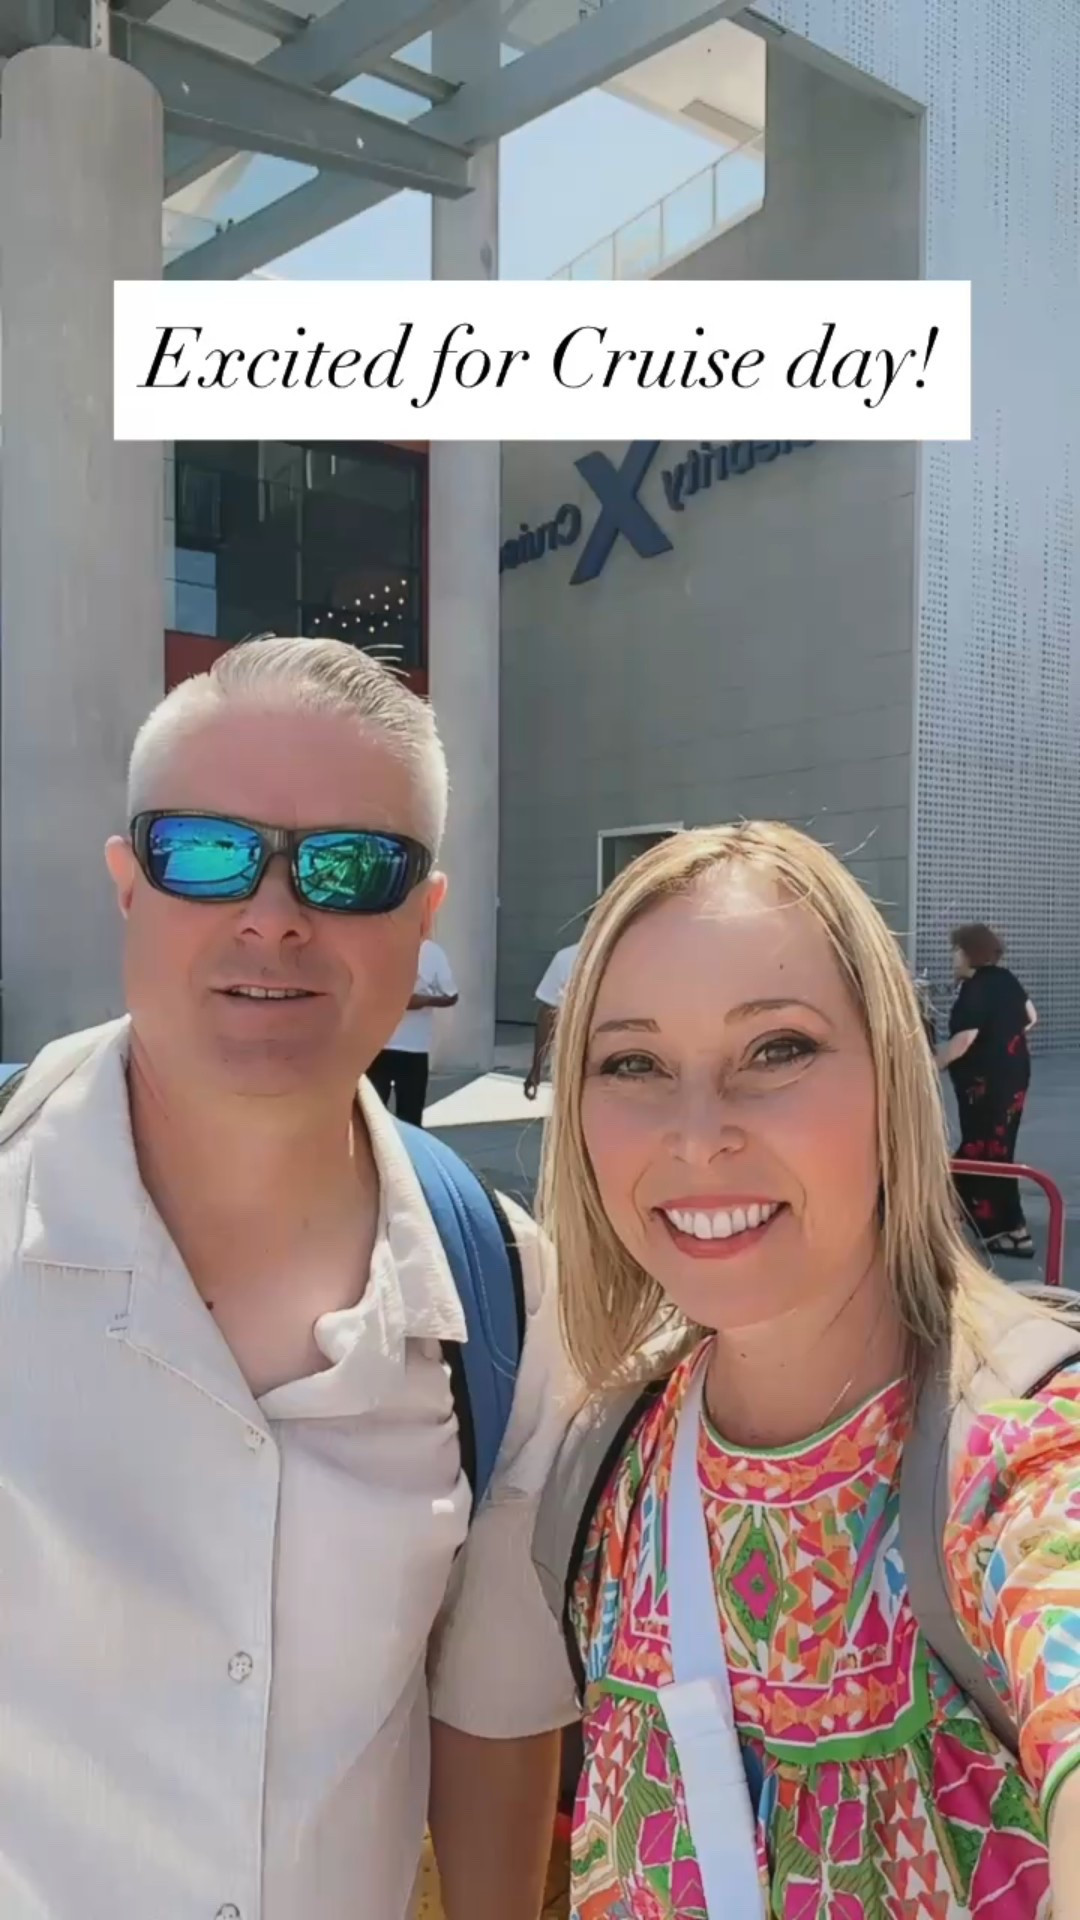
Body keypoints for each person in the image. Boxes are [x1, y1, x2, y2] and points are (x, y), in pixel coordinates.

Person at [0, 637, 580, 1920]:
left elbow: (492, 1707)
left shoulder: (502, 1286)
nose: (274, 913)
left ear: (422, 923)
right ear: (127, 888)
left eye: (349, 868)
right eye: (204, 851)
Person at [535, 822, 1080, 1917]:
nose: (697, 1135)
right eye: (633, 1062)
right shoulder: (604, 1462)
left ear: (892, 1082)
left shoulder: (1023, 1460)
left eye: (776, 1050)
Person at [937, 921, 1038, 1258]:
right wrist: (1003, 1034)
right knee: (996, 1150)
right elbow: (1031, 1017)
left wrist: (927, 1066)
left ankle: (1003, 1229)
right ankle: (1010, 1231)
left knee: (981, 1153)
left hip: (986, 1086)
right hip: (1013, 1079)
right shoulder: (1006, 980)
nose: (953, 956)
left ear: (969, 952)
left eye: (956, 949)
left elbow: (963, 1040)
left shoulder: (977, 987)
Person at [369, 934, 458, 1125]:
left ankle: (407, 1154)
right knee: (372, 1119)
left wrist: (422, 1000)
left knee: (411, 1119)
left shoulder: (432, 952)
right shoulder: (374, 948)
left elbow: (452, 996)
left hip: (414, 1049)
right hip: (376, 1048)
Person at [524, 938, 581, 1100]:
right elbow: (548, 1013)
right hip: (571, 1061)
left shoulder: (628, 958)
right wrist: (537, 1067)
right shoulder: (566, 959)